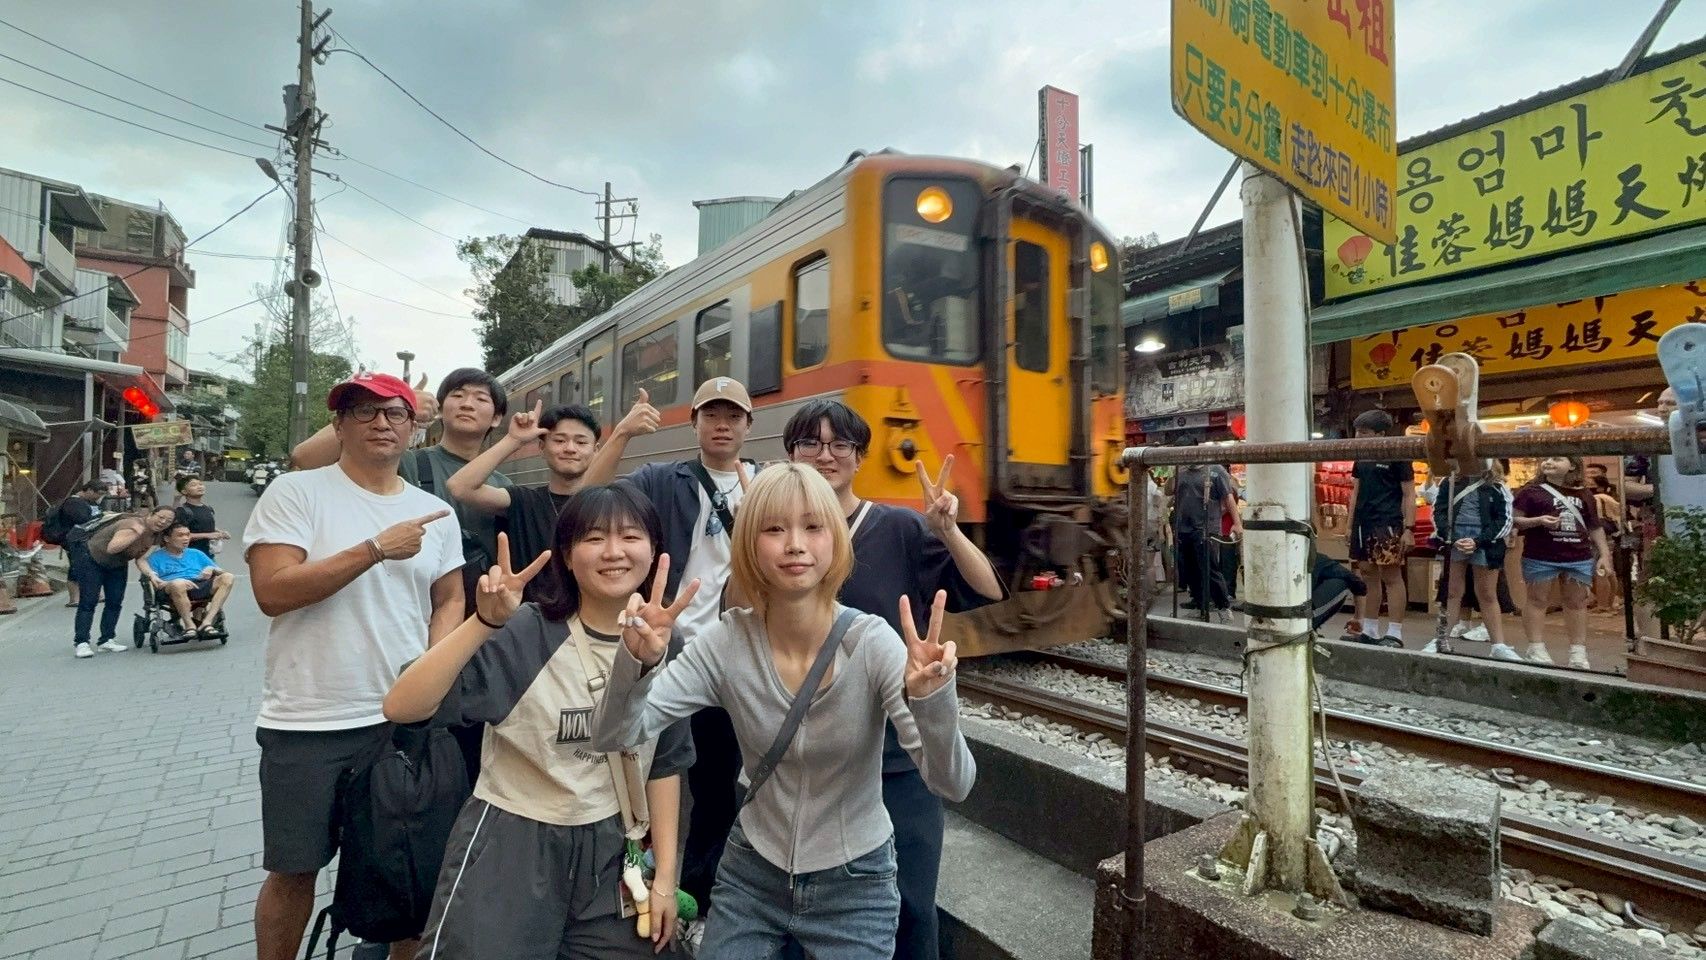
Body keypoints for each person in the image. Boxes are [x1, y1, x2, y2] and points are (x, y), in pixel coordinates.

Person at [591, 463, 976, 960]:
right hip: (752, 873)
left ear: (836, 540)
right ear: (749, 545)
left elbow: (953, 783)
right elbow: (616, 735)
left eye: (813, 527)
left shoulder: (872, 643)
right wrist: (638, 664)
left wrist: (933, 700)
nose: (795, 544)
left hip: (855, 884)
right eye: (774, 529)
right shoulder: (727, 642)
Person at [384, 487, 694, 959]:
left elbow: (665, 763)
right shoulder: (527, 631)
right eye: (594, 538)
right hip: (513, 842)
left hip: (612, 851)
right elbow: (402, 706)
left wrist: (666, 879)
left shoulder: (667, 640)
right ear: (567, 556)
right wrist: (483, 622)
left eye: (631, 536)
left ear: (654, 551)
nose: (614, 551)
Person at [244, 371, 464, 960]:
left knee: (407, 866)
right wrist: (374, 550)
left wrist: (433, 666)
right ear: (339, 426)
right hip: (308, 720)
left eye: (394, 413)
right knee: (294, 871)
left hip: (400, 723)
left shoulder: (435, 512)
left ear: (413, 428)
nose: (380, 423)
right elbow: (272, 591)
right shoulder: (296, 493)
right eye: (363, 411)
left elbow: (449, 599)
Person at [782, 399, 1002, 960]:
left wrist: (948, 531)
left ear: (859, 457)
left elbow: (987, 589)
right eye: (810, 444)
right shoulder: (778, 538)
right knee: (808, 908)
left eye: (840, 445)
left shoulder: (898, 528)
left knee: (910, 904)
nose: (825, 455)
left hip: (897, 757)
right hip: (807, 758)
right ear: (790, 455)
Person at [294, 366, 514, 783]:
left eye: (481, 398)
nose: (467, 404)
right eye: (458, 395)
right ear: (437, 409)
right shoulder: (408, 461)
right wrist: (397, 402)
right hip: (403, 627)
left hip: (472, 624)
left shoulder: (503, 484)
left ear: (497, 416)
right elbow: (305, 458)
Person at [617, 376, 755, 923]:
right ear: (694, 422)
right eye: (711, 415)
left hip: (731, 657)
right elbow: (596, 498)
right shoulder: (660, 479)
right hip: (669, 652)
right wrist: (621, 435)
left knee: (718, 779)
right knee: (649, 764)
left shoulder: (766, 483)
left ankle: (698, 888)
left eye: (733, 416)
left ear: (748, 425)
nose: (722, 425)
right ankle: (639, 869)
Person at [445, 394, 658, 592]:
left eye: (581, 442)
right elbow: (460, 487)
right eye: (559, 440)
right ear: (541, 447)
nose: (570, 448)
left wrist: (622, 434)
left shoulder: (617, 508)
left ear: (596, 450)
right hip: (533, 616)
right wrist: (513, 440)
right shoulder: (522, 501)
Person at [1514, 455, 1613, 669]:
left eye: (1557, 459)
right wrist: (1538, 521)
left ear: (1572, 466)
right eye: (1546, 458)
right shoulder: (1530, 491)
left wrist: (1605, 555)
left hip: (1578, 555)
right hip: (1540, 555)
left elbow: (1594, 526)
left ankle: (1578, 651)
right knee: (1537, 600)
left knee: (1577, 602)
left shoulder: (1585, 494)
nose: (1549, 462)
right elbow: (1515, 520)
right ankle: (1535, 647)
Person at [1426, 463, 1521, 662]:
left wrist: (1479, 541)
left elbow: (1504, 519)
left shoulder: (1497, 486)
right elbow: (1437, 513)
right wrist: (1451, 538)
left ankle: (1498, 645)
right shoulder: (1449, 483)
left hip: (1486, 542)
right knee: (1452, 592)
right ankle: (1441, 639)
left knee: (1487, 593)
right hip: (1455, 539)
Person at [1343, 410, 1417, 646]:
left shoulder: (1398, 454)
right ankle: (1370, 629)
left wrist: (1409, 528)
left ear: (1380, 433)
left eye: (1364, 432)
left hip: (1388, 522)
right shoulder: (1361, 457)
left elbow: (1409, 493)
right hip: (1363, 523)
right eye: (1357, 432)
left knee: (1391, 576)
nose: (1358, 436)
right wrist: (1349, 525)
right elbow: (1355, 492)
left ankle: (1395, 632)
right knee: (1367, 573)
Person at [67, 505, 175, 658]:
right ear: (151, 514)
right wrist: (136, 534)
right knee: (89, 601)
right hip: (92, 559)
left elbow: (141, 559)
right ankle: (82, 642)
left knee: (115, 601)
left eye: (168, 521)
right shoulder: (132, 524)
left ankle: (106, 639)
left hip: (118, 563)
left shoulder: (156, 536)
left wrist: (151, 574)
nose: (163, 522)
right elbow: (112, 548)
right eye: (161, 517)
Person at [1167, 444, 1242, 617]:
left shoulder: (1215, 470)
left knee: (1209, 568)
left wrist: (1237, 523)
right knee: (1190, 569)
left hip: (1206, 528)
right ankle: (1200, 603)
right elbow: (1168, 491)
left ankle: (1222, 606)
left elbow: (1228, 497)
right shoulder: (1181, 471)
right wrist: (1173, 470)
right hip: (1184, 528)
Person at [139, 521, 236, 637]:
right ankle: (190, 626)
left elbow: (222, 572)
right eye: (180, 535)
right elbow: (156, 584)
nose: (186, 538)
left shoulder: (196, 553)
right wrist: (177, 582)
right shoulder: (155, 558)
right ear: (167, 538)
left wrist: (212, 568)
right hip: (170, 588)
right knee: (178, 584)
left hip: (197, 584)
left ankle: (207, 622)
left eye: (188, 535)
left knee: (228, 577)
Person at [48, 480, 106, 608]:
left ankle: (95, 594)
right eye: (99, 493)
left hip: (88, 540)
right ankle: (74, 598)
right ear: (89, 490)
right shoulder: (73, 503)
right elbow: (82, 520)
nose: (99, 497)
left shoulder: (90, 502)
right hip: (75, 540)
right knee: (76, 567)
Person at [173, 476, 230, 557]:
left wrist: (221, 532)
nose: (199, 486)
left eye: (200, 484)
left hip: (208, 555)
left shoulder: (208, 508)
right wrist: (209, 535)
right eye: (193, 485)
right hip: (189, 556)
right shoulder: (183, 511)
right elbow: (180, 534)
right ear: (184, 491)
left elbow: (205, 525)